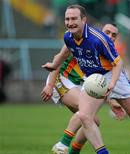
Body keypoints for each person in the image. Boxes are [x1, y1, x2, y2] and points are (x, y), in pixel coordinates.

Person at [42, 4, 130, 154]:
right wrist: (53, 66)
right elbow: (61, 56)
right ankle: (91, 150)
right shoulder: (69, 36)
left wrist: (112, 85)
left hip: (115, 77)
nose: (70, 22)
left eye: (74, 18)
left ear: (84, 20)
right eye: (67, 19)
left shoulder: (99, 40)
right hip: (94, 79)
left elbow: (118, 63)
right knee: (85, 116)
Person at [41, 23, 124, 154]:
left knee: (93, 122)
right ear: (99, 33)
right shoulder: (84, 41)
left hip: (79, 85)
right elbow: (58, 59)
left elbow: (97, 85)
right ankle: (62, 144)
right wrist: (50, 85)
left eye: (114, 35)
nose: (110, 37)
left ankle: (73, 151)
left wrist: (111, 102)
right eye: (107, 32)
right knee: (85, 113)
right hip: (62, 79)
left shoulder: (107, 53)